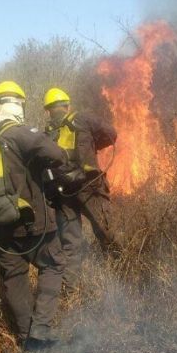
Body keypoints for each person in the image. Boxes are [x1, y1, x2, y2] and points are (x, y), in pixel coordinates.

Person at [0, 81, 68, 350]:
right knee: (54, 263)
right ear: (19, 104)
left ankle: (27, 340)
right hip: (30, 222)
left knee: (14, 277)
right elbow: (56, 154)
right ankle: (40, 329)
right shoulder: (18, 132)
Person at [43, 87, 119, 293]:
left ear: (47, 111)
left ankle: (67, 291)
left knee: (71, 245)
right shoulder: (83, 119)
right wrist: (93, 145)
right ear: (68, 106)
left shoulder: (47, 134)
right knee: (107, 231)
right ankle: (123, 275)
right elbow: (112, 134)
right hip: (89, 186)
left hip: (62, 193)